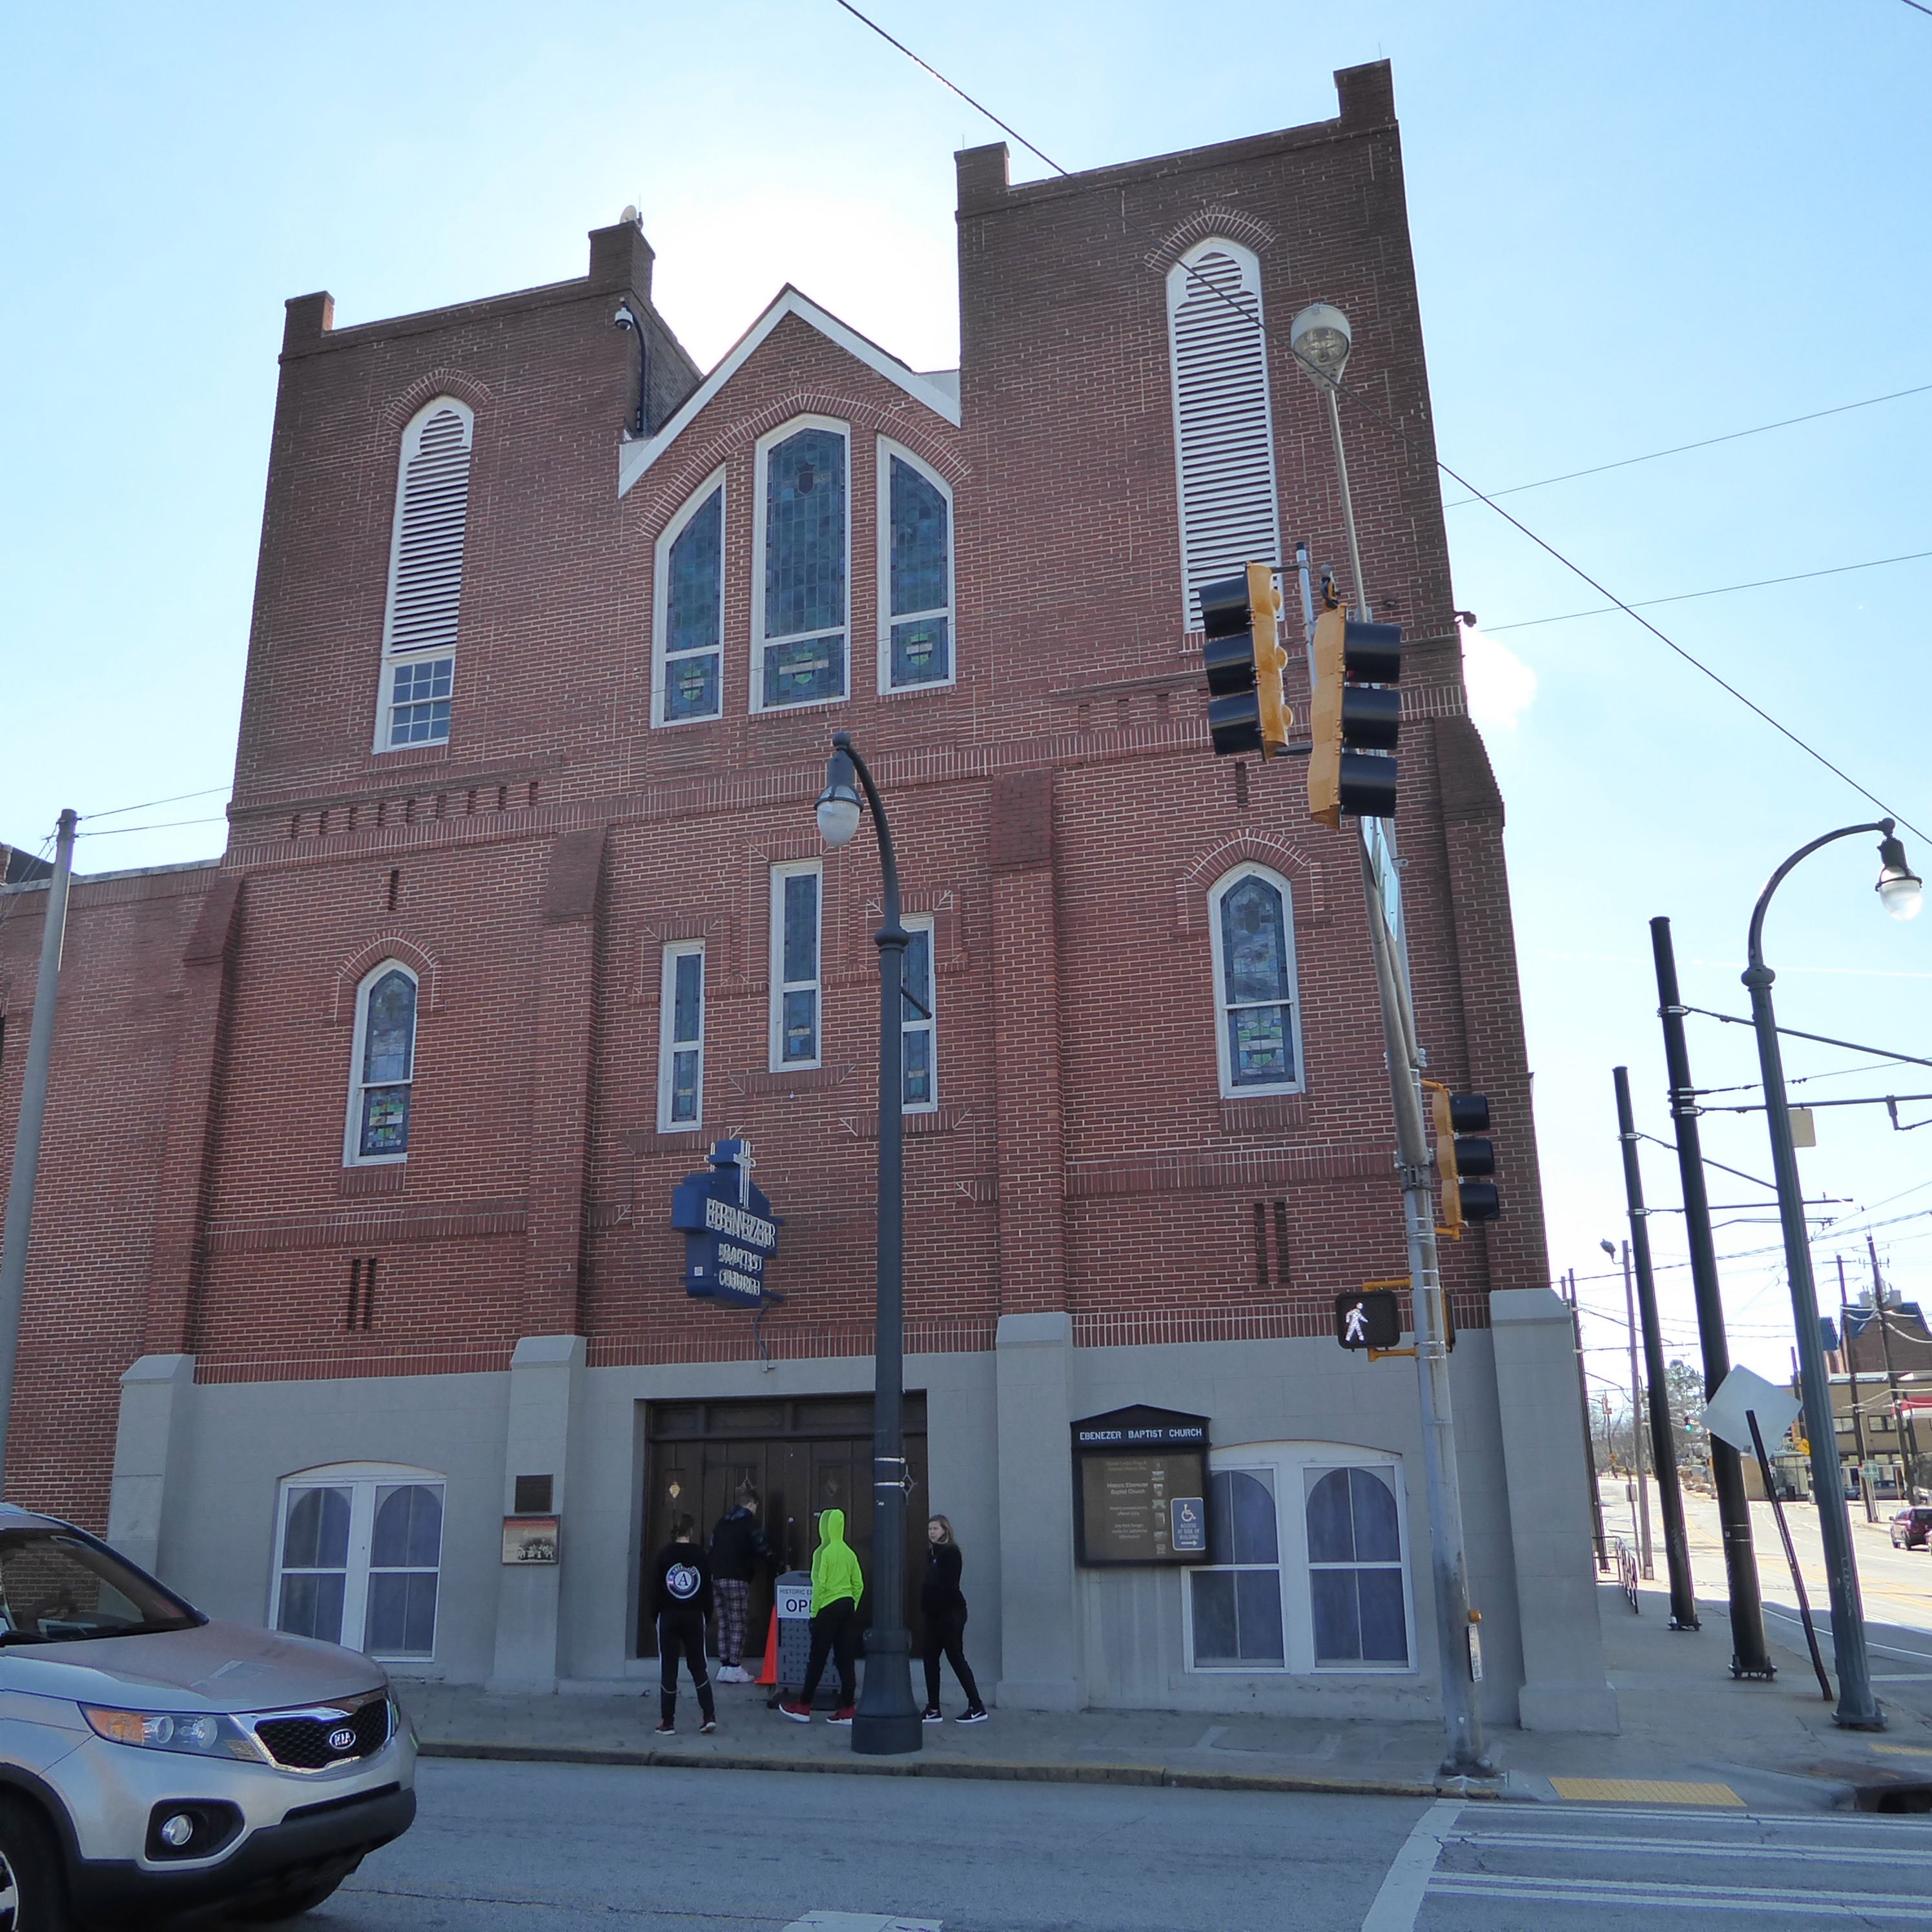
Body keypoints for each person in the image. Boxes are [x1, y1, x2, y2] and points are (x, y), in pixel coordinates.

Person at [778, 1506, 863, 1724]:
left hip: (827, 1608)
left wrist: (814, 1614)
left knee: (817, 1659)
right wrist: (852, 1604)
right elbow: (859, 1585)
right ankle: (848, 1708)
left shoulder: (822, 1552)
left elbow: (819, 1585)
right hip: (846, 1606)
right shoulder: (849, 1552)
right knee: (845, 1659)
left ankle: (804, 1705)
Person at [650, 1514, 716, 1735]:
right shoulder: (701, 1555)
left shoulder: (663, 1555)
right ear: (691, 1531)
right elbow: (708, 1590)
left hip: (669, 1615)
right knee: (698, 1666)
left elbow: (655, 1591)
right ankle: (709, 1716)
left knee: (669, 1668)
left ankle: (667, 1722)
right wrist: (707, 1615)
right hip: (694, 1616)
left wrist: (655, 1617)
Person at [920, 1515, 987, 1723]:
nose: (932, 1532)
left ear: (945, 1531)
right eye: (930, 1529)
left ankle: (976, 1706)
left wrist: (933, 1604)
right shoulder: (932, 1554)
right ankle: (933, 1708)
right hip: (935, 1614)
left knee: (955, 1657)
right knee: (930, 1658)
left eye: (936, 1529)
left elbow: (948, 1585)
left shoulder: (950, 1552)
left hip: (950, 1613)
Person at [710, 1482, 772, 1683]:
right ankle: (735, 1667)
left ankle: (725, 1665)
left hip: (717, 1576)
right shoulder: (750, 1523)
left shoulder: (722, 1522)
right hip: (737, 1577)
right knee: (739, 1622)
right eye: (757, 1506)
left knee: (724, 1622)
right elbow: (762, 1548)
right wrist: (779, 1565)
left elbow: (712, 1547)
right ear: (753, 1504)